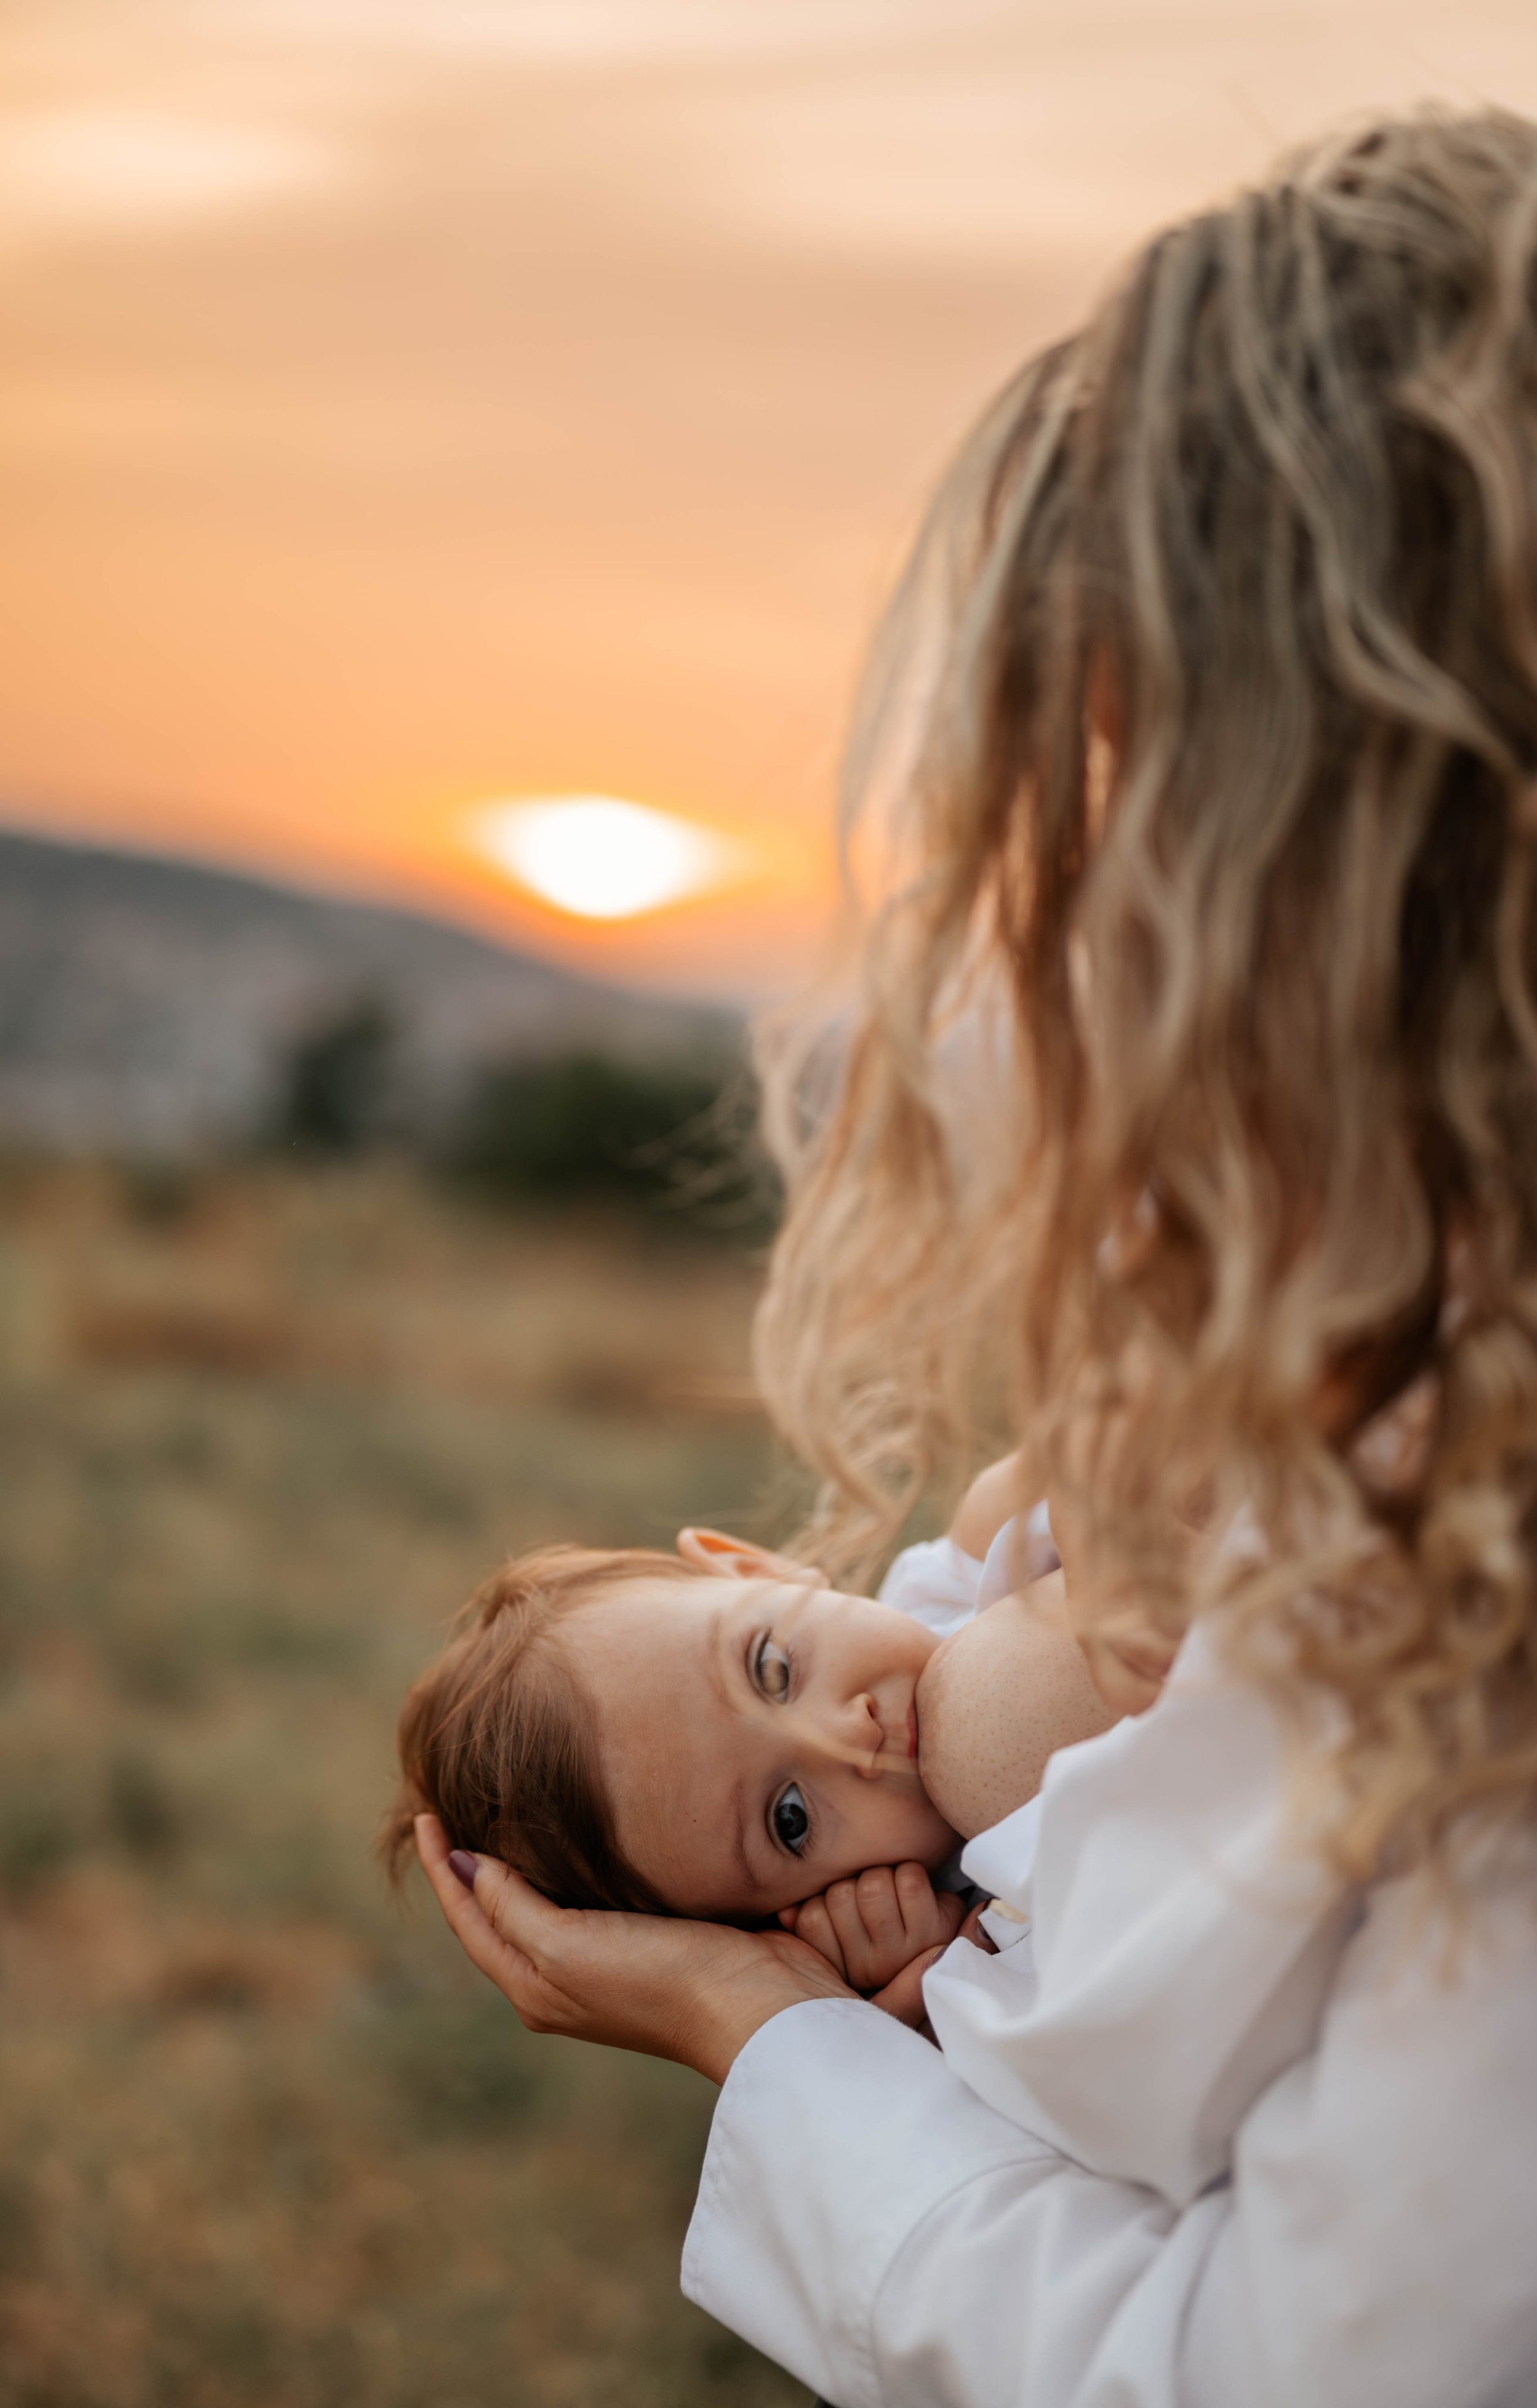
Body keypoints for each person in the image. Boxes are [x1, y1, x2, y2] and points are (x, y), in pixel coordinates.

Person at [416, 110, 1537, 2406]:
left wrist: (765, 2039)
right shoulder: (1323, 1332)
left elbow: (1294, 2368)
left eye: (1130, 775)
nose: (1083, 904)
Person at [382, 1455, 1104, 2009]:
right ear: (782, 1924)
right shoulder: (953, 1959)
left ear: (757, 1569)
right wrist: (909, 1997)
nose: (850, 1737)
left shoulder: (967, 1572)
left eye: (773, 1667)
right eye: (790, 1819)